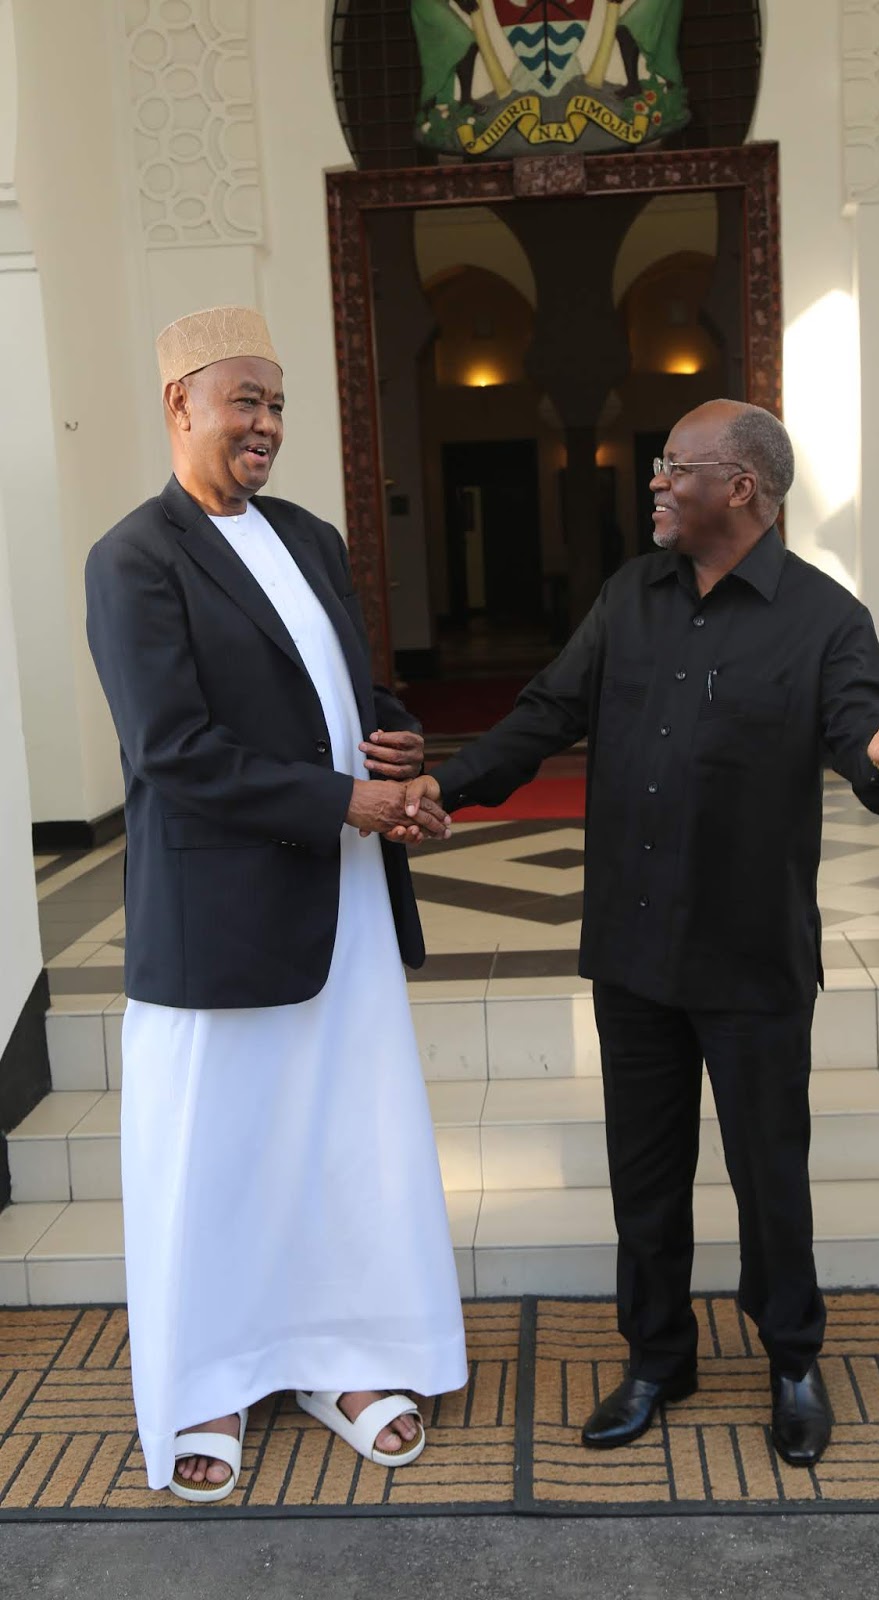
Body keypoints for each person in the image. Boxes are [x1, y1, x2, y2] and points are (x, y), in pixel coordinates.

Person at [404, 400, 879, 1467]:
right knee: (644, 1175)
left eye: (673, 467)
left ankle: (791, 1360)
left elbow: (865, 740)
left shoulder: (825, 619)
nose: (654, 482)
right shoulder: (629, 596)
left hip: (751, 958)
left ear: (741, 488)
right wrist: (445, 786)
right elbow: (546, 711)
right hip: (636, 947)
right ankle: (657, 1358)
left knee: (769, 1175)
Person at [84, 306, 467, 1502]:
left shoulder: (307, 535)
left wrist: (401, 756)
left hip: (342, 899)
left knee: (343, 1134)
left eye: (279, 404)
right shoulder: (134, 557)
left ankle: (341, 1359)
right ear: (179, 404)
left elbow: (347, 690)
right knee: (218, 1154)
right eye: (245, 400)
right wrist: (346, 800)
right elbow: (172, 751)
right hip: (220, 913)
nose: (267, 425)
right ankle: (207, 1380)